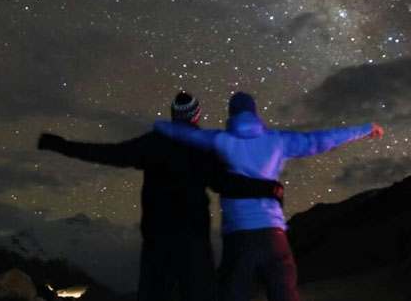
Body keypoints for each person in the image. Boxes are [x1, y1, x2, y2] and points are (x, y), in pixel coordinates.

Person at [37, 91, 284, 301]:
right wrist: (267, 189)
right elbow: (229, 184)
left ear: (173, 114)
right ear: (196, 116)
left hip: (157, 240)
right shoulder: (202, 148)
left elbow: (108, 153)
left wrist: (62, 145)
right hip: (193, 240)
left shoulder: (152, 144)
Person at [153, 91, 384, 301]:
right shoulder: (277, 140)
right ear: (254, 113)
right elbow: (321, 140)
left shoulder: (222, 140)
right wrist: (365, 129)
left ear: (231, 115)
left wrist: (158, 124)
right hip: (274, 236)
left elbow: (183, 134)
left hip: (239, 238)